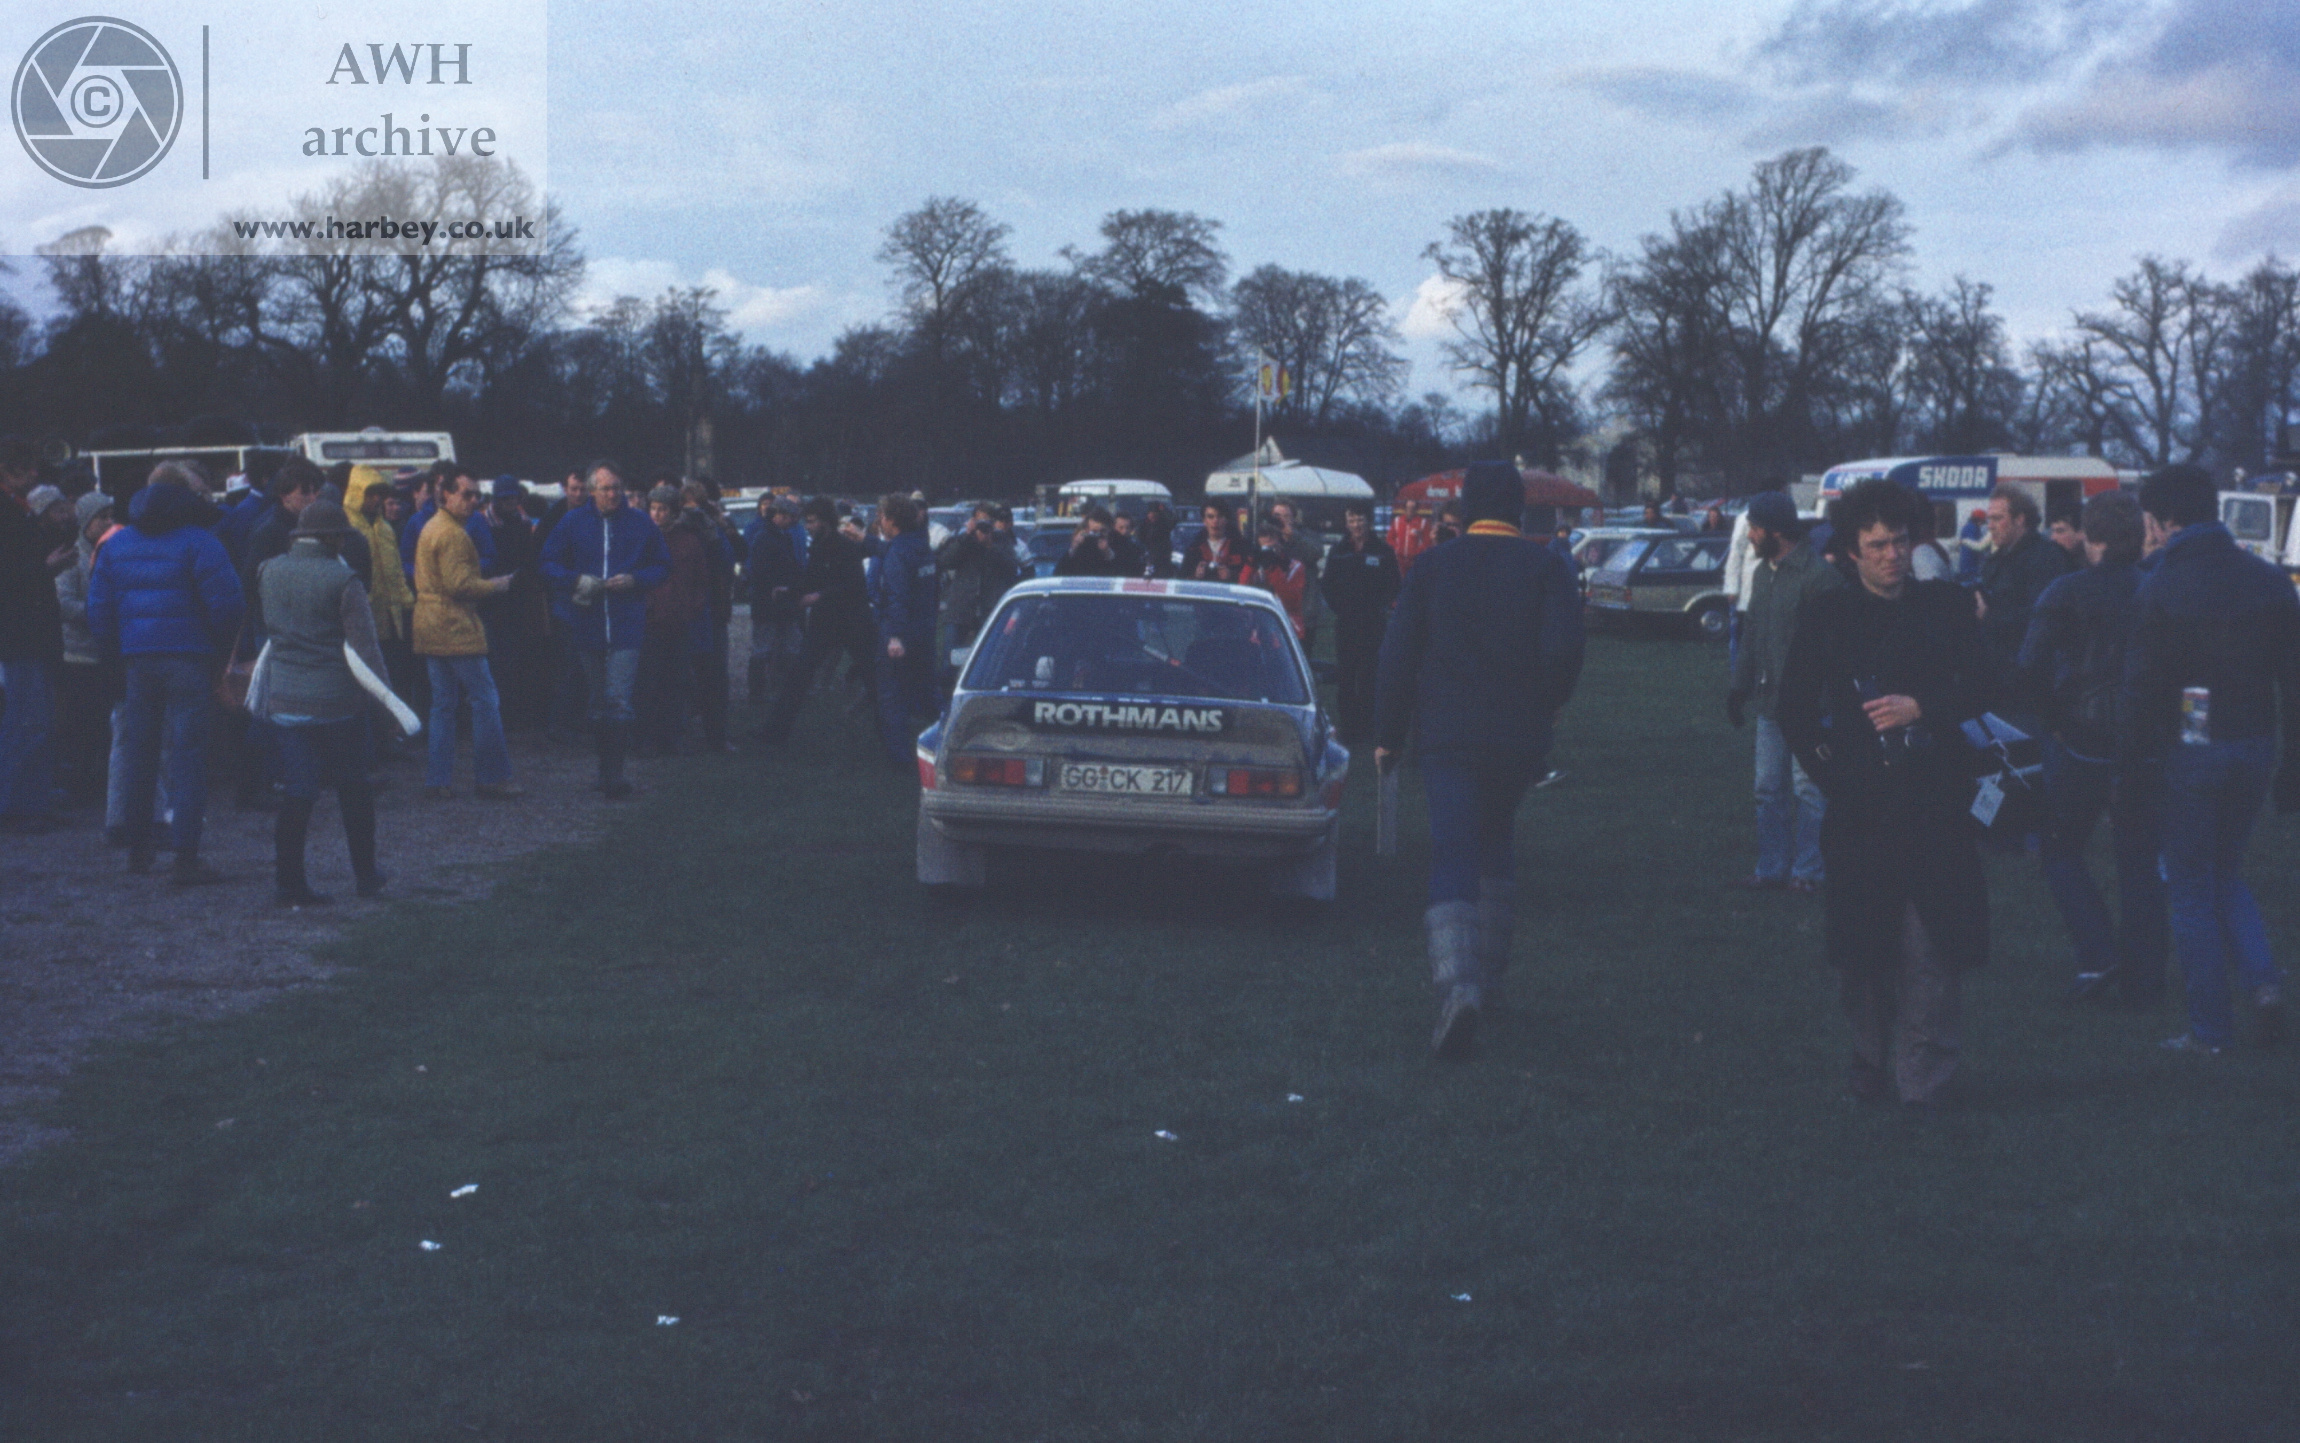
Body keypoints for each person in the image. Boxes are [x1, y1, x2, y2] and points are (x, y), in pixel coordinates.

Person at [1777, 478, 1992, 1109]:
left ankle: (1924, 1075)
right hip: (1860, 809)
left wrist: (1924, 707)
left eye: (1900, 541)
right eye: (1876, 544)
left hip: (1935, 802)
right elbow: (1793, 709)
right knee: (1864, 947)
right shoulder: (1827, 614)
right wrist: (1834, 775)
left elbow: (1992, 683)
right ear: (1851, 550)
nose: (1891, 555)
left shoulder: (1945, 607)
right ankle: (1869, 1055)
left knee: (1933, 946)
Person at [1375, 460, 1585, 1059]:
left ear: (1465, 508)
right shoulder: (1547, 565)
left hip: (1447, 733)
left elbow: (1398, 655)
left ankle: (1458, 986)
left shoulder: (1434, 566)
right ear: (1519, 508)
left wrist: (1388, 731)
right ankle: (1489, 982)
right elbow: (1565, 649)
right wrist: (1548, 703)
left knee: (1453, 850)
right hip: (1517, 737)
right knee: (1496, 843)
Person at [2120, 463, 2300, 1054]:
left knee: (2191, 885)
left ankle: (2210, 1030)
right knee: (2226, 872)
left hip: (2190, 748)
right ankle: (2264, 983)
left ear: (2162, 520)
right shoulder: (2270, 581)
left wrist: (2134, 767)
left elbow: (2143, 690)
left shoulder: (2159, 587)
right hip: (2255, 741)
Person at [2017, 490, 2165, 1005]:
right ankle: (2144, 978)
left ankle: (2100, 956)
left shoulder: (2065, 590)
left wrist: (2054, 721)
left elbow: (2028, 670)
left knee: (2060, 850)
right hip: (2142, 745)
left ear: (2089, 534)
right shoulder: (2158, 590)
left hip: (2078, 742)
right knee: (2140, 861)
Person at [86, 462, 246, 881]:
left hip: (137, 660)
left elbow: (98, 612)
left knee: (142, 755)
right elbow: (229, 606)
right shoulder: (201, 543)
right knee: (189, 757)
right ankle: (185, 856)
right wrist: (217, 652)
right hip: (190, 660)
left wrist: (114, 656)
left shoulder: (116, 546)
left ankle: (138, 851)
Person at [251, 499, 390, 905]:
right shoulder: (343, 580)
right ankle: (366, 875)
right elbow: (366, 651)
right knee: (354, 788)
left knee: (298, 791)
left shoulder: (268, 571)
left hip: (286, 698)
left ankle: (288, 883)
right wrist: (388, 706)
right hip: (337, 702)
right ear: (331, 537)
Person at [1727, 490, 1841, 895]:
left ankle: (1808, 872)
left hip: (1810, 709)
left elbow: (1833, 650)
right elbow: (1753, 634)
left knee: (1809, 789)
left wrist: (1822, 703)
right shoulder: (1762, 573)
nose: (1750, 537)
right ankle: (1771, 868)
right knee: (1767, 789)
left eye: (1755, 529)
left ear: (1776, 531)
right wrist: (1738, 688)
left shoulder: (1818, 577)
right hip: (1770, 706)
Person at [540, 462, 668, 798]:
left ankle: (615, 775)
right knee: (598, 702)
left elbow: (662, 565)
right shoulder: (573, 521)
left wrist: (637, 579)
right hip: (588, 622)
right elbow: (548, 562)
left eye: (617, 487)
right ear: (592, 491)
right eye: (606, 488)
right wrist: (575, 580)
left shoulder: (640, 522)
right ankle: (602, 769)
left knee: (619, 700)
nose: (613, 494)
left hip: (626, 624)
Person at [414, 471, 521, 800]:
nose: (474, 501)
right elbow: (459, 586)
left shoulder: (433, 526)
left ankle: (438, 780)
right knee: (485, 701)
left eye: (476, 495)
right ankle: (492, 778)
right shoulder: (453, 535)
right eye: (466, 494)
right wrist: (497, 585)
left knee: (443, 705)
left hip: (431, 624)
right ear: (445, 494)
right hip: (455, 625)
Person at [759, 497, 874, 746]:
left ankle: (894, 738)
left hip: (851, 622)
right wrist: (790, 590)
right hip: (826, 622)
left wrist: (817, 596)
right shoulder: (819, 547)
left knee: (876, 679)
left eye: (811, 521)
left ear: (825, 522)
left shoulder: (845, 547)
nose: (807, 527)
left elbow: (853, 586)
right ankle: (774, 734)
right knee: (798, 676)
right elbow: (812, 580)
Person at [0, 437, 66, 830]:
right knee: (29, 720)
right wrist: (45, 568)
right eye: (25, 469)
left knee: (27, 719)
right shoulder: (10, 515)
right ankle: (19, 806)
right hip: (21, 634)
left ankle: (24, 801)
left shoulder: (17, 513)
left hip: (23, 634)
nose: (34, 475)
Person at [1976, 482, 2075, 691]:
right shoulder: (1996, 559)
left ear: (2020, 519)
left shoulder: (2045, 557)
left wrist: (1989, 615)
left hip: (2029, 681)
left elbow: (2043, 618)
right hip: (1995, 674)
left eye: (1997, 518)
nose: (1990, 526)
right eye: (1988, 519)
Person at [637, 483, 711, 755]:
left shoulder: (689, 541)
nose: (656, 514)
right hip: (650, 623)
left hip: (679, 623)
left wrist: (691, 609)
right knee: (647, 684)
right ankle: (646, 739)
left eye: (663, 509)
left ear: (675, 512)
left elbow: (701, 582)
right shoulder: (642, 539)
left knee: (676, 683)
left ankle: (671, 739)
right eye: (653, 508)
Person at [1319, 499, 1400, 746]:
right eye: (1352, 520)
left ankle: (1366, 729)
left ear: (1369, 521)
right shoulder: (1339, 550)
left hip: (1373, 624)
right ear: (1346, 522)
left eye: (1360, 519)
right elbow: (1327, 585)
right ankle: (1348, 729)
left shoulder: (1382, 550)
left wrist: (1380, 606)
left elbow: (1394, 585)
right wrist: (1340, 608)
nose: (1356, 525)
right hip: (1346, 624)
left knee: (1369, 677)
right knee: (1345, 678)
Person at [868, 493, 938, 773]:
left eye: (881, 517)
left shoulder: (897, 553)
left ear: (891, 519)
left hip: (900, 633)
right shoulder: (922, 547)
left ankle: (900, 760)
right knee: (925, 694)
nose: (879, 522)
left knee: (892, 696)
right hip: (924, 631)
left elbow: (897, 596)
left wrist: (895, 636)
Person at [53, 491, 114, 804]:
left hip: (104, 652)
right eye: (101, 517)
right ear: (86, 521)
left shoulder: (110, 552)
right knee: (82, 722)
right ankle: (80, 780)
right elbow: (62, 603)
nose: (108, 522)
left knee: (103, 721)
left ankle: (98, 779)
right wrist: (99, 614)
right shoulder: (73, 555)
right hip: (78, 653)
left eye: (110, 515)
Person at [483, 477, 552, 733]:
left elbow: (529, 557)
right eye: (504, 499)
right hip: (490, 598)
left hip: (516, 597)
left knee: (513, 658)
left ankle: (512, 715)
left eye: (513, 498)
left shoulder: (523, 524)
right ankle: (497, 715)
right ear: (496, 499)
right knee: (494, 660)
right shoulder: (483, 523)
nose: (509, 503)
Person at [936, 502, 1020, 674]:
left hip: (988, 606)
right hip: (961, 606)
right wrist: (967, 536)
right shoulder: (962, 539)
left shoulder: (1001, 540)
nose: (983, 527)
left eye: (987, 523)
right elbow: (945, 561)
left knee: (989, 662)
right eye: (980, 522)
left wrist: (990, 545)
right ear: (973, 520)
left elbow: (1012, 567)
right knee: (950, 661)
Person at [747, 495, 807, 710]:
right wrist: (779, 586)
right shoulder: (764, 538)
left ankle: (782, 689)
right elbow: (759, 572)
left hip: (783, 602)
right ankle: (757, 694)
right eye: (790, 517)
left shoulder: (783, 537)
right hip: (767, 603)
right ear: (779, 516)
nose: (792, 521)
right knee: (763, 649)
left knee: (789, 646)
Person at [1243, 517, 1310, 640]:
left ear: (1280, 541)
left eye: (1271, 547)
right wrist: (1250, 564)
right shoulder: (1255, 567)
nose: (1268, 551)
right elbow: (1242, 592)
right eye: (1263, 536)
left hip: (1287, 631)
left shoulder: (1295, 567)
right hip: (1258, 631)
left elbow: (1289, 602)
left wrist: (1273, 569)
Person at [1054, 505, 1142, 577]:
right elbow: (1058, 575)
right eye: (1094, 532)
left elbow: (1127, 576)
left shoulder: (1121, 546)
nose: (1097, 536)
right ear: (1086, 530)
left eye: (1102, 532)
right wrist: (1073, 549)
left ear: (1110, 530)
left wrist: (1108, 554)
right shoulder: (1079, 548)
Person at [1181, 502, 1248, 583]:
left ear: (1226, 520)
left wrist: (1231, 575)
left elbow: (1252, 579)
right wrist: (1195, 576)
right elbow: (1181, 581)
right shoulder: (1193, 549)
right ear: (1204, 521)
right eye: (1210, 517)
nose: (1215, 521)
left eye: (1219, 516)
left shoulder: (1240, 547)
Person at [1955, 507, 1989, 583]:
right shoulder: (1972, 529)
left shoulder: (1969, 527)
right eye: (1982, 522)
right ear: (1978, 520)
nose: (1982, 524)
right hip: (1970, 566)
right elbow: (1976, 546)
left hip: (1968, 564)